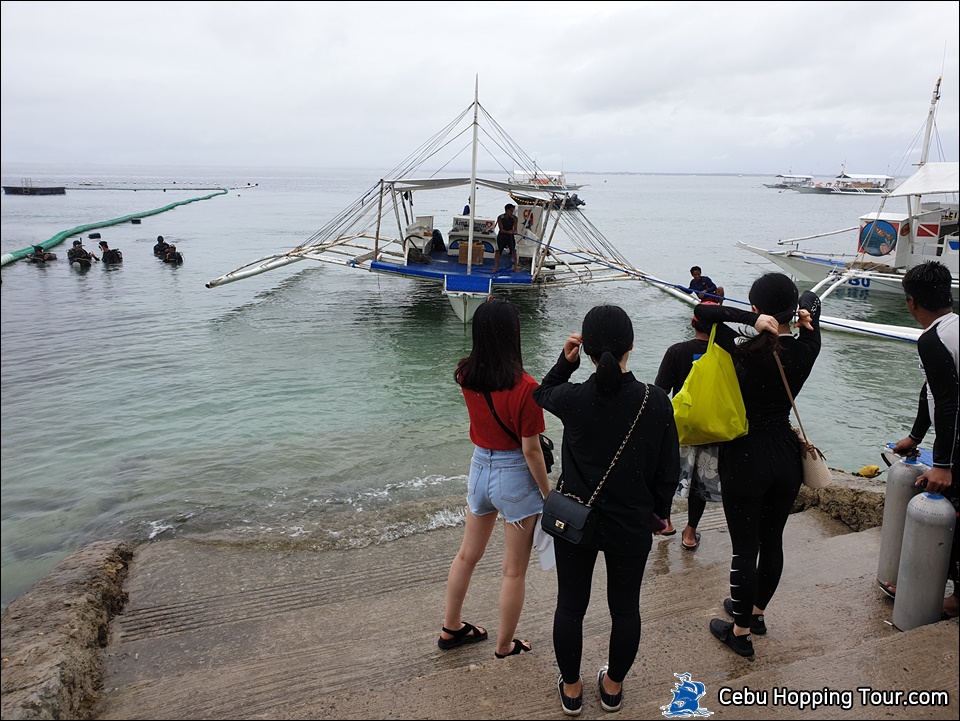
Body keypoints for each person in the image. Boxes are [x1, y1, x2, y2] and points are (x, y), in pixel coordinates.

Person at [533, 305, 679, 715]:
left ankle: (573, 690)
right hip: (630, 524)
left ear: (589, 349)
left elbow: (540, 393)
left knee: (570, 606)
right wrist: (659, 513)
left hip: (574, 521)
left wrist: (565, 363)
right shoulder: (655, 401)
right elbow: (668, 470)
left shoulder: (574, 397)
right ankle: (612, 688)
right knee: (625, 608)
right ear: (632, 345)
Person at [693, 272, 821, 658]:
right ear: (791, 310)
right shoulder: (808, 347)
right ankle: (757, 612)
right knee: (773, 541)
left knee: (744, 549)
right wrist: (800, 314)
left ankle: (741, 633)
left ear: (756, 309)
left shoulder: (742, 348)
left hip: (746, 456)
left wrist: (751, 322)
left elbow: (703, 310)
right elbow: (815, 298)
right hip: (785, 456)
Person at [439, 298, 551, 660]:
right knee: (513, 572)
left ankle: (451, 627)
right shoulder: (526, 388)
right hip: (515, 477)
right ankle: (504, 646)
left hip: (479, 470)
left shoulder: (464, 373)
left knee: (467, 556)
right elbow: (532, 451)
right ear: (513, 335)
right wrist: (548, 494)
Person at [889, 261, 958, 619]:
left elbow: (948, 401)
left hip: (958, 441)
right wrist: (916, 435)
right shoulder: (953, 329)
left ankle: (948, 594)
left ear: (911, 302)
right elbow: (931, 388)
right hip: (955, 436)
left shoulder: (932, 339)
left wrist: (943, 465)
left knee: (954, 512)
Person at [654, 304, 722, 551]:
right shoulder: (723, 354)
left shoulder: (676, 351)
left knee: (669, 475)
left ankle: (666, 521)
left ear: (692, 323)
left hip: (679, 427)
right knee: (700, 484)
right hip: (711, 430)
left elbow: (660, 393)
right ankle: (690, 533)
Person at [493, 203, 519, 274]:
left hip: (510, 236)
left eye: (513, 211)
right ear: (506, 210)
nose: (512, 212)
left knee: (514, 251)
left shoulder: (515, 218)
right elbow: (501, 229)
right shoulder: (500, 218)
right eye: (511, 211)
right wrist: (508, 232)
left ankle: (515, 267)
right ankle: (496, 267)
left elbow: (515, 229)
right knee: (498, 251)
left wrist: (515, 231)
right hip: (502, 236)